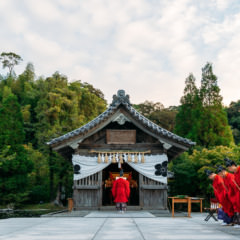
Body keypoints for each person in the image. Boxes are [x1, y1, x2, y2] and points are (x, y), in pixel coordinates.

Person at [224, 158, 240, 227]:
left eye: (230, 167)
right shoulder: (235, 173)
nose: (229, 169)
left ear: (234, 165)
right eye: (228, 168)